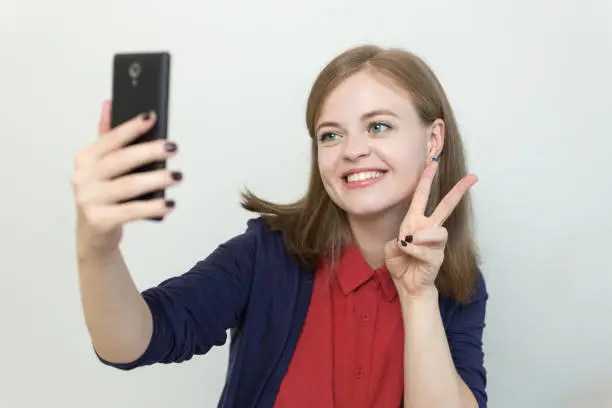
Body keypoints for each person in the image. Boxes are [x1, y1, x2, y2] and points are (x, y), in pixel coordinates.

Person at [71, 44, 488, 408]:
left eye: (378, 126)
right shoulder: (266, 253)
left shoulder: (456, 286)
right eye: (330, 136)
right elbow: (131, 342)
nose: (352, 151)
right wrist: (98, 247)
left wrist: (419, 299)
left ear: (433, 140)